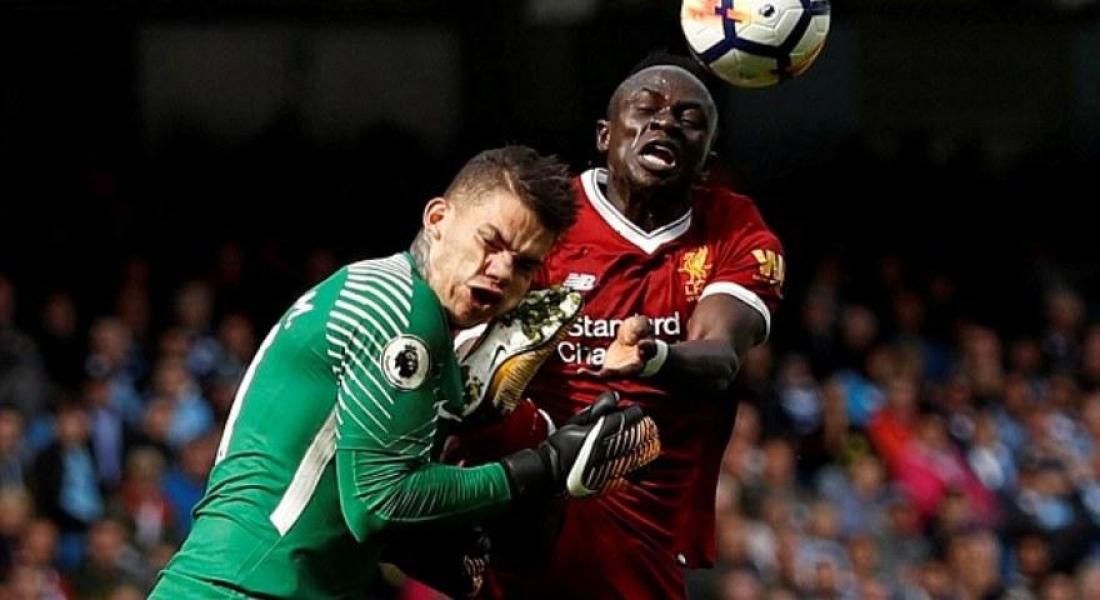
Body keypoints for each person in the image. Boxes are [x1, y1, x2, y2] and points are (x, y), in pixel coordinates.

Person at [149, 145, 657, 599]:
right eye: (491, 242)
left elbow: (351, 499)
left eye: (524, 265)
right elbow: (380, 502)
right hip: (244, 589)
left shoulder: (389, 299)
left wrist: (439, 545)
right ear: (437, 218)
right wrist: (543, 465)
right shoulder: (399, 310)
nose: (502, 271)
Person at [484, 53, 787, 599]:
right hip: (532, 505)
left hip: (644, 533)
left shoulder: (735, 229)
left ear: (707, 159)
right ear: (605, 136)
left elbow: (719, 354)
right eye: (646, 109)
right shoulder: (545, 216)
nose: (666, 121)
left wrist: (654, 356)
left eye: (689, 120)